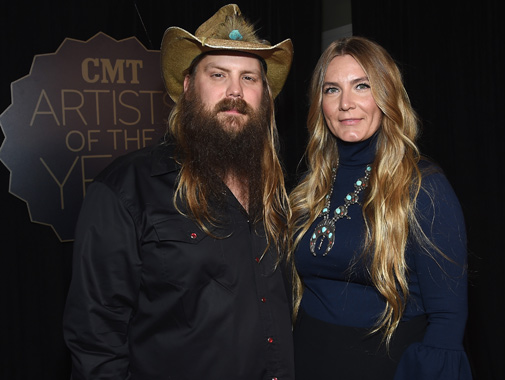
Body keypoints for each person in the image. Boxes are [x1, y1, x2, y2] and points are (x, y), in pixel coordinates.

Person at [63, 4, 294, 379]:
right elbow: (96, 342)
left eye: (249, 78)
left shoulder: (279, 190)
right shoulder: (126, 189)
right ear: (188, 87)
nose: (235, 91)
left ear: (264, 97)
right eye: (218, 74)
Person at [288, 36, 472, 379]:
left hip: (385, 367)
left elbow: (447, 319)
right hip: (306, 361)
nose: (346, 103)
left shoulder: (424, 187)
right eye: (331, 90)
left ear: (387, 95)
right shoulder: (309, 188)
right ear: (319, 103)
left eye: (361, 86)